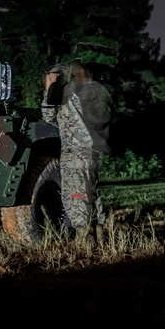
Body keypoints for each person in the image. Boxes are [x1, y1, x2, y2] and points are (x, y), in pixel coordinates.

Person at [41, 59, 112, 241]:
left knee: (76, 195)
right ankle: (100, 237)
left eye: (47, 78)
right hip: (91, 149)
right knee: (91, 193)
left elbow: (48, 116)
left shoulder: (61, 91)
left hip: (75, 151)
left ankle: (84, 240)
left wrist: (49, 89)